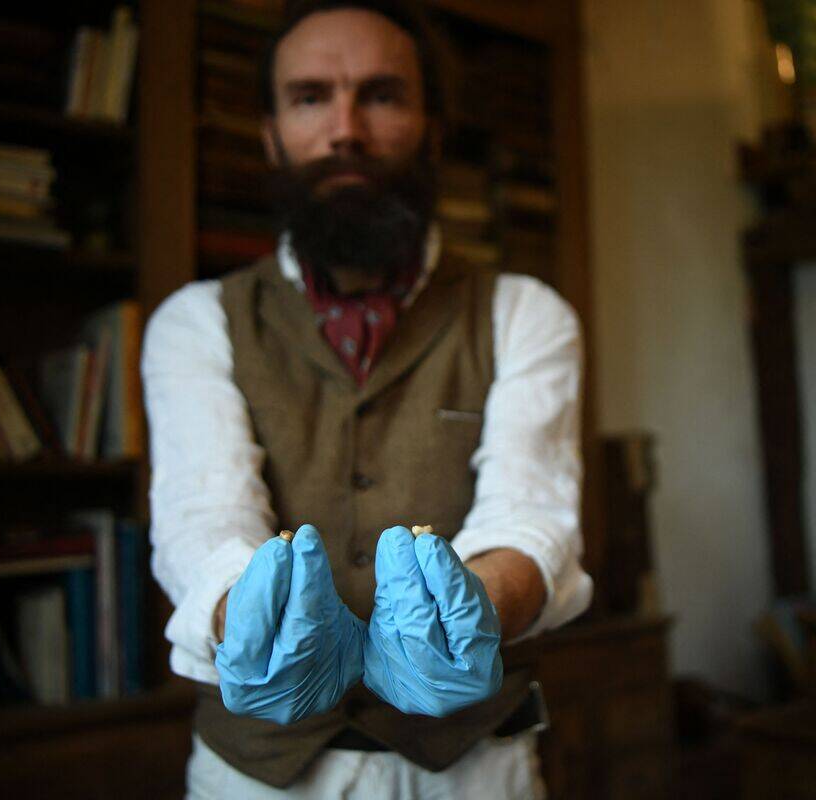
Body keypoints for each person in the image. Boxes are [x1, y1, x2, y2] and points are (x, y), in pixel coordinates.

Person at [141, 1, 592, 797]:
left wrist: (476, 611)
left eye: (381, 95)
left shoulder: (525, 313)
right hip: (258, 777)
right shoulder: (194, 322)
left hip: (474, 770)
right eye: (310, 97)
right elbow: (202, 517)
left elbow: (532, 510)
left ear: (433, 131)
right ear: (271, 133)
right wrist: (249, 619)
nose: (345, 129)